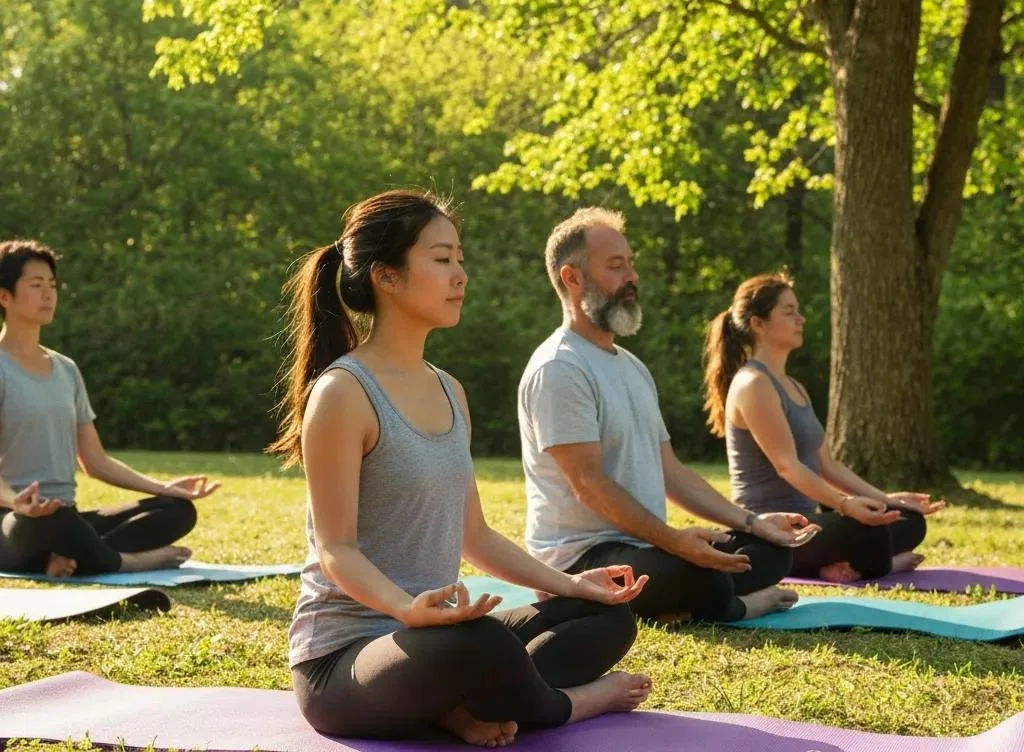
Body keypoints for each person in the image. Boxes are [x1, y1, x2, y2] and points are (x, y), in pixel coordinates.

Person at [272, 190, 652, 749]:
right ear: (387, 276)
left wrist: (570, 584)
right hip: (345, 661)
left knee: (603, 618)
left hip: (437, 637)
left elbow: (474, 535)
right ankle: (569, 705)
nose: (461, 275)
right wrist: (407, 610)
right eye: (442, 258)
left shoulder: (450, 390)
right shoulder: (343, 393)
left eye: (460, 258)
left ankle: (458, 707)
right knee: (483, 646)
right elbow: (336, 549)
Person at [518, 208, 818, 627]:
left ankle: (687, 599)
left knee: (771, 550)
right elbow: (590, 487)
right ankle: (738, 605)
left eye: (631, 264)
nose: (632, 277)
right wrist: (677, 544)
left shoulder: (632, 367)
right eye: (615, 266)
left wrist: (752, 522)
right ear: (572, 278)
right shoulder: (560, 368)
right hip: (582, 559)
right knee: (703, 578)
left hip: (641, 546)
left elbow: (670, 471)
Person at [703, 272, 943, 583]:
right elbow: (787, 466)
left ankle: (847, 562)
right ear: (758, 324)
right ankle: (878, 564)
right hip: (771, 530)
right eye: (789, 312)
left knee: (909, 520)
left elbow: (826, 465)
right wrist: (845, 504)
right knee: (868, 532)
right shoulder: (753, 384)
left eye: (798, 311)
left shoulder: (795, 387)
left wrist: (885, 500)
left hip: (811, 523)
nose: (800, 319)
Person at [0, 239, 218, 578]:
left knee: (177, 511)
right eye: (36, 285)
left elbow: (95, 461)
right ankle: (127, 562)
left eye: (53, 286)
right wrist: (16, 501)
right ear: (4, 296)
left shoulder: (66, 370)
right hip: (15, 519)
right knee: (38, 524)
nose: (48, 294)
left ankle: (68, 558)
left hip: (67, 518)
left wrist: (163, 488)